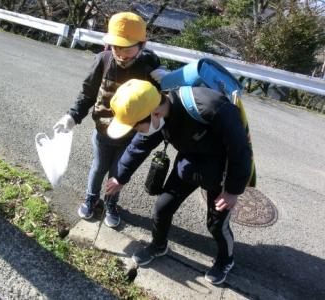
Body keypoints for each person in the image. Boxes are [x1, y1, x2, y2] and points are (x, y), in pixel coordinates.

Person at [105, 79, 252, 285]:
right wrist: (120, 177)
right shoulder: (155, 113)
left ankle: (226, 259)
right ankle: (158, 245)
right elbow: (140, 145)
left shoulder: (211, 107)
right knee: (162, 208)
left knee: (216, 225)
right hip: (188, 164)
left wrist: (232, 191)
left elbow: (241, 151)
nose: (136, 132)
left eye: (136, 127)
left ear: (155, 113)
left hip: (221, 172)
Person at [54, 12, 167, 228]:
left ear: (142, 44)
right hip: (103, 130)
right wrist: (72, 116)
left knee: (118, 172)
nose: (121, 53)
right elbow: (88, 94)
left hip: (132, 133)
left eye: (127, 47)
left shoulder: (149, 66)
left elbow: (160, 101)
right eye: (116, 46)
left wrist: (166, 80)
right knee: (98, 168)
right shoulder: (103, 61)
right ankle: (91, 197)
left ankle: (111, 202)